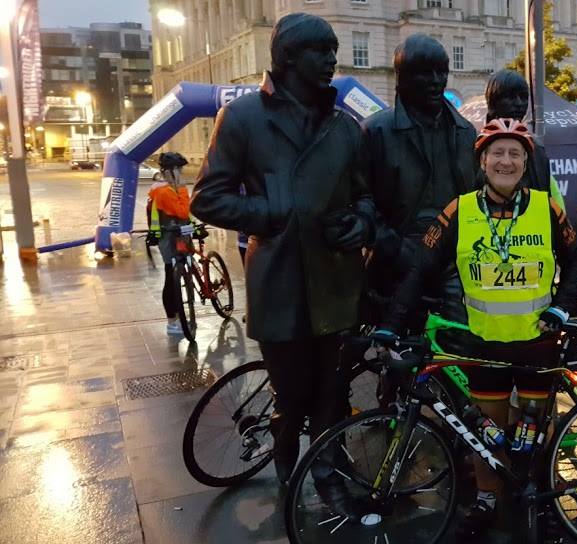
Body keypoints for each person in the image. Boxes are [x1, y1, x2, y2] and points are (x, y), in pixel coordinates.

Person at [190, 13, 374, 516]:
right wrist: (268, 213)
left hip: (337, 282)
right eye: (321, 49)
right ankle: (289, 471)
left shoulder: (345, 126)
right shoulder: (245, 117)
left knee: (333, 395)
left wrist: (361, 223)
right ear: (289, 56)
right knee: (291, 399)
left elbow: (365, 197)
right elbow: (207, 199)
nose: (332, 59)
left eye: (334, 49)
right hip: (280, 282)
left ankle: (330, 473)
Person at [378, 119, 577, 537]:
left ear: (525, 162)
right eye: (497, 153)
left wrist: (563, 306)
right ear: (483, 160)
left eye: (514, 154)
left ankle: (543, 498)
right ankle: (488, 500)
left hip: (537, 344)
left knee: (536, 431)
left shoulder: (546, 207)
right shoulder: (460, 210)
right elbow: (420, 271)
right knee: (485, 432)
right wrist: (392, 325)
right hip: (484, 343)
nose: (505, 161)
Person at [361, 34, 477, 312]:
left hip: (456, 263)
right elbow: (358, 200)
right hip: (395, 266)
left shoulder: (466, 132)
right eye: (426, 73)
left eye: (442, 71)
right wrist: (392, 246)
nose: (437, 80)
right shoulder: (375, 131)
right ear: (401, 77)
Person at [483, 69, 565, 210]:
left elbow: (553, 197)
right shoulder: (473, 146)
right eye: (511, 97)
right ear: (493, 100)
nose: (519, 103)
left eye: (523, 97)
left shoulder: (537, 148)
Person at [149, 151, 191, 337]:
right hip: (170, 239)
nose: (182, 173)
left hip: (180, 235)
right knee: (171, 278)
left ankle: (178, 317)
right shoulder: (164, 190)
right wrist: (182, 189)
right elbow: (182, 211)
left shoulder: (167, 188)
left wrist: (195, 227)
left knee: (180, 274)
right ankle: (172, 322)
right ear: (172, 171)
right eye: (180, 169)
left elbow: (187, 216)